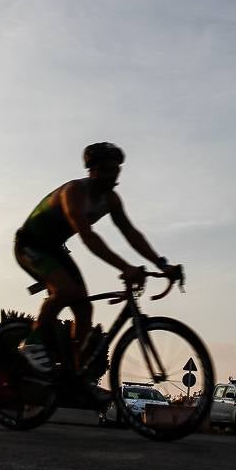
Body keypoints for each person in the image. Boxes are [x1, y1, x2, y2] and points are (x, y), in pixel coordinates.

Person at [14, 142, 178, 393]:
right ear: (92, 170)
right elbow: (87, 236)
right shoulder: (74, 192)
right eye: (107, 170)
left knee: (84, 309)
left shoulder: (111, 199)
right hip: (30, 245)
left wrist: (162, 263)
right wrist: (125, 267)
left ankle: (76, 375)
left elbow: (131, 233)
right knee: (66, 291)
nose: (113, 176)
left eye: (116, 170)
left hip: (54, 248)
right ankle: (32, 341)